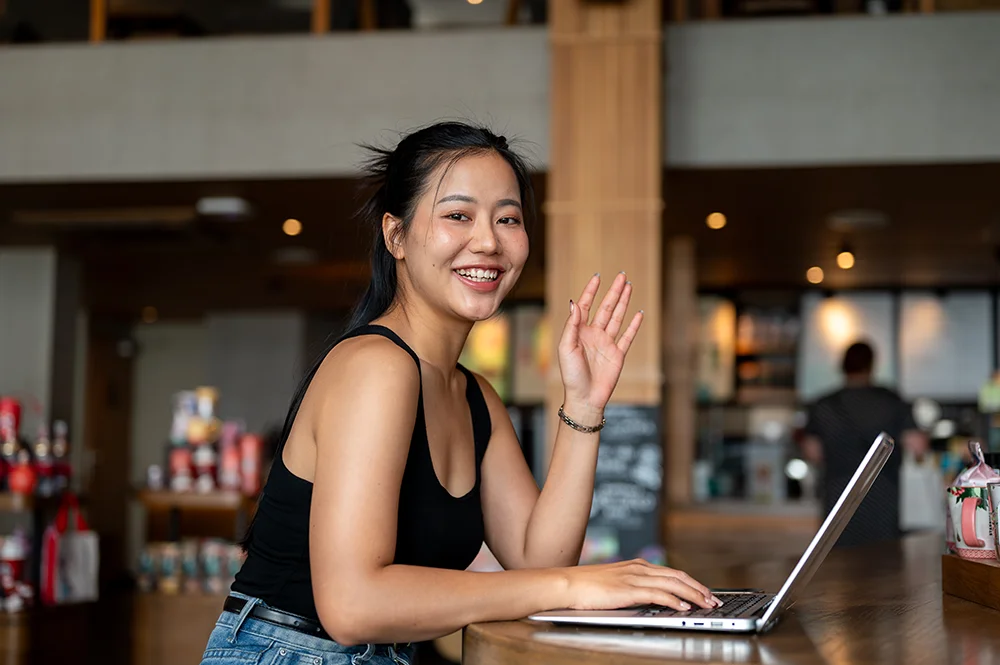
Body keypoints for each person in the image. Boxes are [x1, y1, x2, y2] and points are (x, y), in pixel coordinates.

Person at [200, 122, 719, 665]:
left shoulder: (475, 395)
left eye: (508, 218)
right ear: (395, 236)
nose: (489, 241)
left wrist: (584, 406)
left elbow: (537, 558)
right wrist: (572, 587)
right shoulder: (375, 367)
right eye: (457, 215)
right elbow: (352, 606)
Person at [801, 340, 928, 548]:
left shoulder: (824, 404)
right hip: (884, 497)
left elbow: (812, 452)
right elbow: (918, 445)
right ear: (871, 365)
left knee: (839, 567)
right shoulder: (891, 400)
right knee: (883, 567)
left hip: (838, 499)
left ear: (842, 366)